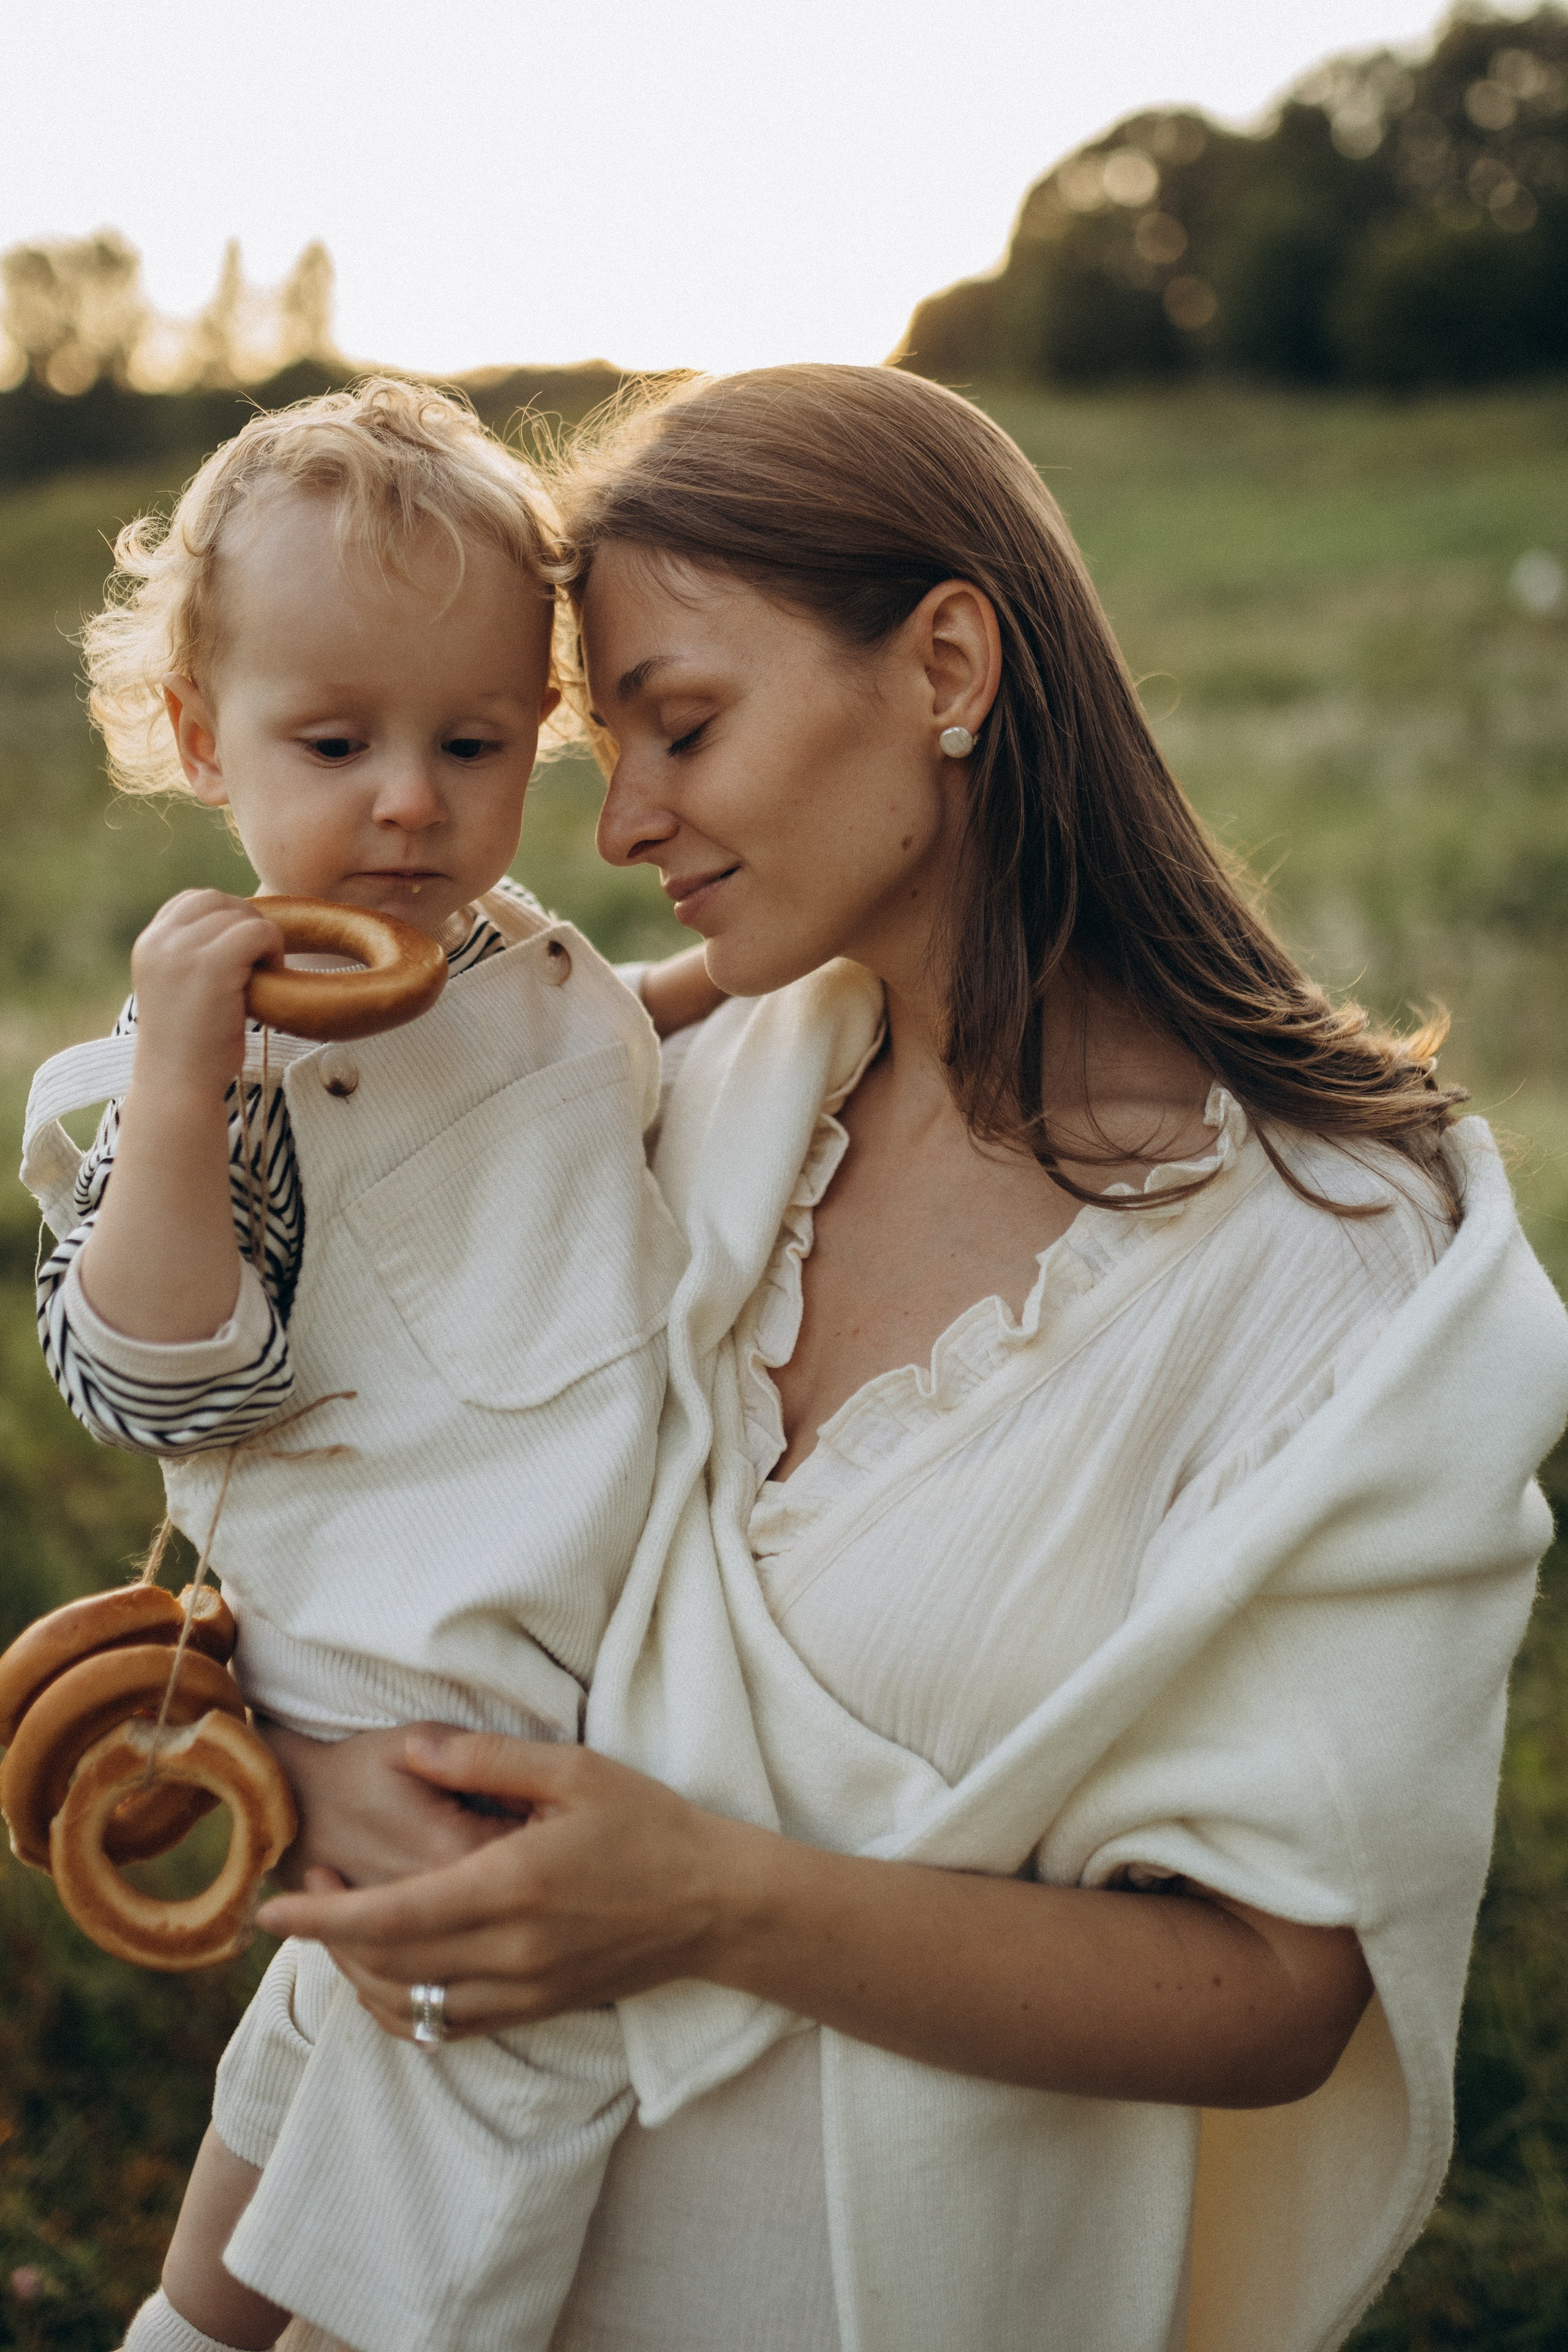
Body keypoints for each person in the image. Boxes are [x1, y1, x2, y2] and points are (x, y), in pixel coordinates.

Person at [242, 368, 1566, 2352]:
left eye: (685, 725)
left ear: (948, 661)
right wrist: (326, 1755)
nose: (623, 825)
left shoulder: (1336, 1278)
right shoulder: (688, 1090)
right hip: (409, 2260)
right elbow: (377, 1501)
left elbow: (1287, 1995)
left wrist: (711, 1904)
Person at [19, 379, 723, 2352]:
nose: (410, 799)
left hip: (562, 1644)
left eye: (473, 741)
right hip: (413, 1689)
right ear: (196, 736)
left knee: (315, 2102)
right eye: (334, 743)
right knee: (459, 2136)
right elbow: (156, 1377)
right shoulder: (229, 1073)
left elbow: (601, 1072)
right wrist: (171, 1089)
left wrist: (743, 967)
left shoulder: (525, 966)